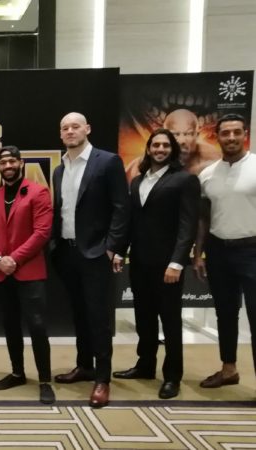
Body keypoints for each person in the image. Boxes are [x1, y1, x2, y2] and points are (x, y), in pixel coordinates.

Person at [113, 129, 200, 399]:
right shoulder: (138, 181)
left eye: (165, 145)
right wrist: (119, 251)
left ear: (172, 149)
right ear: (149, 149)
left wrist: (177, 263)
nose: (160, 149)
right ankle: (145, 365)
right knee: (144, 317)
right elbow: (132, 221)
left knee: (170, 321)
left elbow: (188, 225)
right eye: (156, 145)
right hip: (140, 261)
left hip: (167, 265)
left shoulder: (185, 180)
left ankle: (172, 376)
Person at [51, 112, 130, 408]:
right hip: (67, 252)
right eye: (65, 127)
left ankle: (102, 379)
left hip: (96, 253)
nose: (70, 131)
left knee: (98, 318)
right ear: (61, 134)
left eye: (75, 126)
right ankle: (84, 366)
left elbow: (121, 207)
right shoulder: (60, 168)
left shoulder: (107, 162)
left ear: (87, 129)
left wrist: (112, 247)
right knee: (79, 314)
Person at [0, 146, 55, 404]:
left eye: (12, 161)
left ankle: (45, 381)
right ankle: (17, 373)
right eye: (3, 162)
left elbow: (42, 232)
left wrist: (14, 258)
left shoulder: (38, 192)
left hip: (29, 271)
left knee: (37, 325)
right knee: (10, 325)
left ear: (21, 163)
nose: (8, 166)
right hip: (2, 272)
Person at [193, 113, 256, 390]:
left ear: (245, 135)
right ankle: (228, 369)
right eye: (225, 133)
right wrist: (198, 253)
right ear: (217, 136)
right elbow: (203, 218)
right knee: (225, 313)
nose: (231, 137)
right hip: (219, 250)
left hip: (252, 250)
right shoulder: (207, 174)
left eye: (236, 132)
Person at [125, 109, 220, 180]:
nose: (182, 141)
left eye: (188, 134)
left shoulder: (212, 162)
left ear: (197, 136)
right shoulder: (142, 165)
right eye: (175, 134)